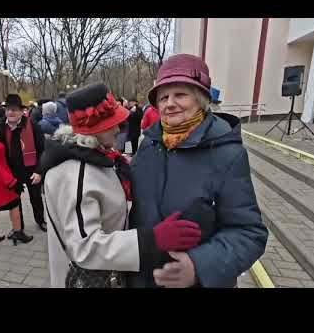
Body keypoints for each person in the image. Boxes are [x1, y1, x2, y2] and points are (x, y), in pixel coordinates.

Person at [38, 83, 201, 288]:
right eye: (111, 123)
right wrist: (152, 240)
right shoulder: (76, 173)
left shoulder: (96, 158)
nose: (118, 128)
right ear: (94, 129)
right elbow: (84, 247)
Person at [128, 53, 268, 288]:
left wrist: (199, 266)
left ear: (201, 99)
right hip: (143, 278)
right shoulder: (149, 144)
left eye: (180, 94)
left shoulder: (228, 154)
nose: (169, 103)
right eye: (163, 97)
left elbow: (249, 233)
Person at [0, 94, 46, 233]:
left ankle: (40, 220)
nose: (10, 112)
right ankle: (19, 227)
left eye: (14, 109)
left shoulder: (32, 125)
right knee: (15, 202)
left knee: (36, 197)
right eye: (8, 110)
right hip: (11, 172)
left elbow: (43, 150)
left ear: (22, 111)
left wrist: (39, 171)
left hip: (31, 170)